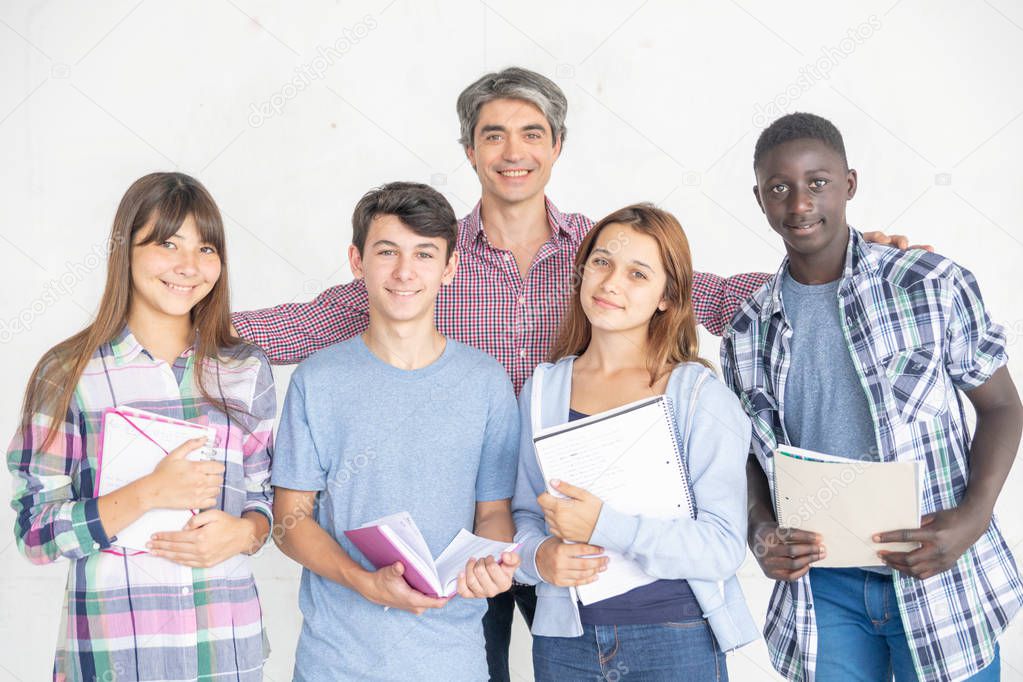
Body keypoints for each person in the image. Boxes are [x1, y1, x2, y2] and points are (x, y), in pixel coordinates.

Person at [230, 66, 911, 681]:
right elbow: (303, 324)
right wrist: (187, 318)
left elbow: (722, 295)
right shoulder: (429, 258)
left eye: (531, 133)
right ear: (469, 150)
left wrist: (847, 258)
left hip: (601, 544)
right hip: (484, 528)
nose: (512, 152)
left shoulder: (598, 253)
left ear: (556, 145)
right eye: (492, 136)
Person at [721, 112, 1023, 681]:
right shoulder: (747, 328)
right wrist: (760, 530)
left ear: (849, 184)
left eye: (818, 182)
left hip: (937, 570)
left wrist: (973, 519)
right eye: (779, 188)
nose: (799, 203)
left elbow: (1003, 406)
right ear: (759, 199)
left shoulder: (929, 284)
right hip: (822, 586)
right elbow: (746, 454)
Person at [8, 172, 275, 681]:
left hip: (226, 655)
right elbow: (34, 533)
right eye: (167, 243)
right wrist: (148, 492)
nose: (188, 267)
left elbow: (265, 496)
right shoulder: (68, 373)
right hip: (114, 657)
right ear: (124, 250)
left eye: (206, 249)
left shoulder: (245, 368)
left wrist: (245, 532)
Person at [270, 182, 522, 681]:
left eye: (424, 254)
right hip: (336, 663)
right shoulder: (316, 381)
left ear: (450, 268)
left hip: (454, 661)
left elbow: (494, 513)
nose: (405, 272)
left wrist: (492, 563)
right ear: (357, 261)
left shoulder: (486, 381)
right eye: (387, 252)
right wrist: (363, 581)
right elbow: (289, 520)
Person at [513, 204, 758, 680]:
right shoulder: (542, 389)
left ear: (667, 296)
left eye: (638, 274)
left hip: (676, 637)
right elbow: (522, 515)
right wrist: (539, 558)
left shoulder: (697, 397)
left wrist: (605, 525)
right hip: (564, 645)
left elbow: (724, 546)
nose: (610, 284)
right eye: (601, 262)